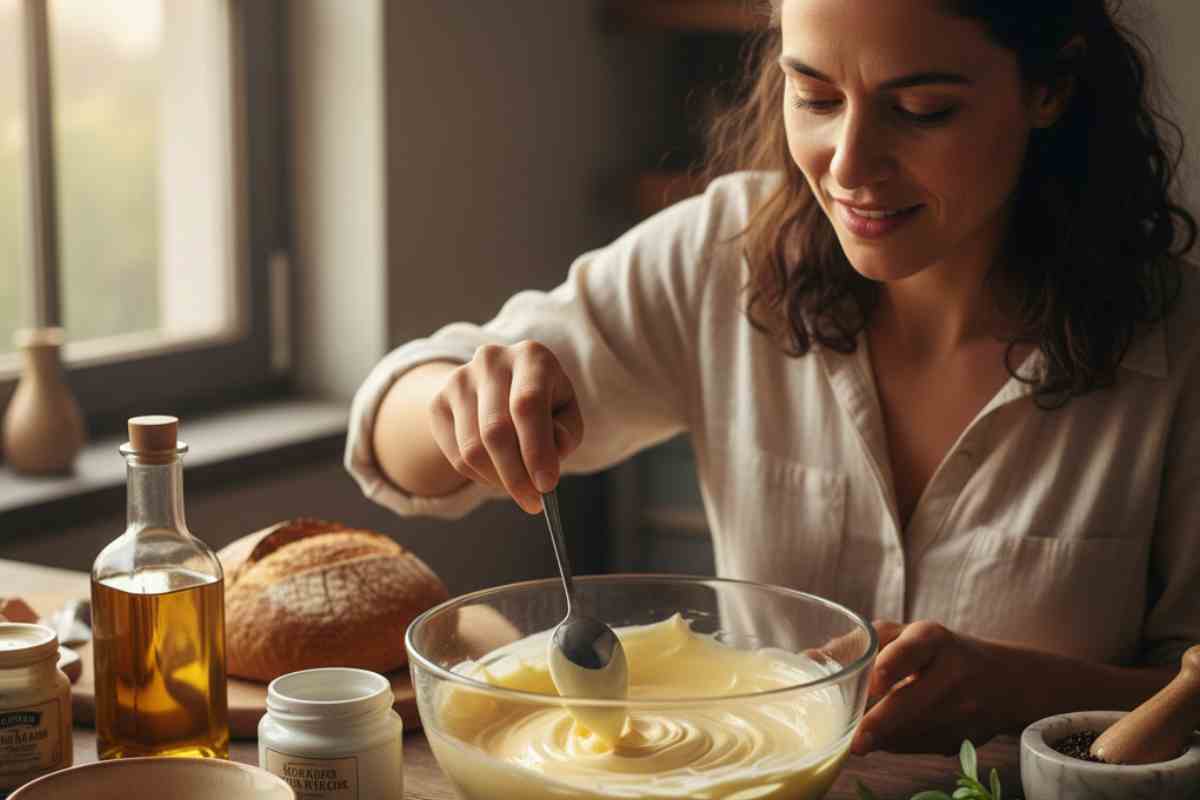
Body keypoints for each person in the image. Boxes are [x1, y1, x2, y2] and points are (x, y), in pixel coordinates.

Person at [345, 0, 1199, 755]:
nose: (849, 164)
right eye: (816, 96)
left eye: (921, 110)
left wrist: (1035, 695)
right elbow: (393, 433)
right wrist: (462, 400)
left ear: (1049, 88)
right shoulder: (725, 258)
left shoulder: (1179, 348)